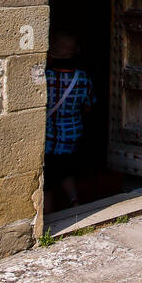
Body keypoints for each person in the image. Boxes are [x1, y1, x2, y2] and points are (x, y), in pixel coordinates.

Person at [44, 32, 95, 213]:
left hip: (48, 138)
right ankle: (75, 203)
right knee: (67, 170)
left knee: (47, 182)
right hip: (72, 135)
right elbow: (89, 106)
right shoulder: (82, 78)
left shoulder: (45, 77)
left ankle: (48, 217)